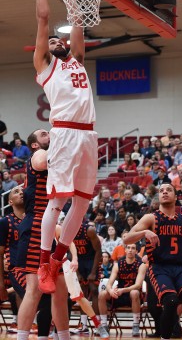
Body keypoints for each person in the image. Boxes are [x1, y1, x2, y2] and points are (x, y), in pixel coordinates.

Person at [33, 0, 98, 294]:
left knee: (83, 204)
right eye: (54, 41)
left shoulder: (77, 61)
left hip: (88, 135)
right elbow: (43, 19)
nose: (58, 41)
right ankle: (44, 262)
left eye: (62, 40)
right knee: (57, 202)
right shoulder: (45, 67)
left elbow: (76, 22)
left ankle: (57, 258)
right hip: (64, 133)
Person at [124, 183, 182, 340]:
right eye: (161, 190)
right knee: (170, 302)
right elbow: (126, 238)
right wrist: (144, 232)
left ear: (176, 197)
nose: (164, 192)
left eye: (168, 190)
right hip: (159, 268)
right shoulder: (151, 218)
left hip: (180, 268)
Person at [15, 129, 69, 340]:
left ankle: (64, 337)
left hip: (51, 226)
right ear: (35, 144)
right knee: (34, 290)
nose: (49, 135)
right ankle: (21, 337)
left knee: (61, 290)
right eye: (44, 134)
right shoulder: (37, 156)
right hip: (36, 224)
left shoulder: (53, 157)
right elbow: (41, 161)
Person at [98, 243, 147, 336]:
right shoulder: (118, 264)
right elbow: (109, 283)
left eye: (133, 248)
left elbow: (138, 285)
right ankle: (104, 325)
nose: (130, 250)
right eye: (128, 247)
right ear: (125, 250)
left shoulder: (141, 265)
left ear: (136, 251)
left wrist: (123, 290)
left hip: (133, 296)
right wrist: (110, 290)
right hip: (119, 294)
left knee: (134, 292)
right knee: (102, 294)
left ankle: (136, 324)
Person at [73, 221, 102, 334]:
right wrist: (77, 273)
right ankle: (83, 325)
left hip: (91, 261)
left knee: (94, 291)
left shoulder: (89, 230)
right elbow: (69, 253)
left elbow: (98, 251)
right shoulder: (67, 231)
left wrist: (93, 272)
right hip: (78, 262)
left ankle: (98, 325)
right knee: (81, 294)